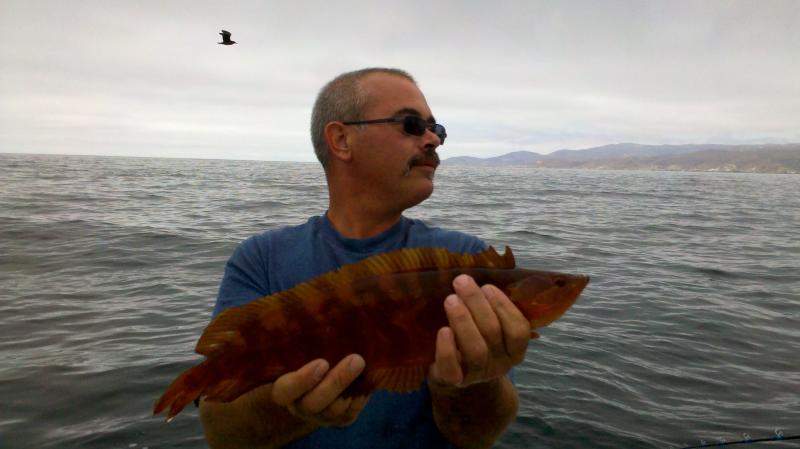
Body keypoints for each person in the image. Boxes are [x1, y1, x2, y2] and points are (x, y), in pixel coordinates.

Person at [198, 67, 531, 449]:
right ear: (341, 140)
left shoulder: (468, 261)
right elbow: (220, 433)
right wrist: (287, 408)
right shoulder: (261, 258)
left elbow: (478, 436)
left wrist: (472, 382)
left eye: (437, 130)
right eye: (411, 124)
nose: (432, 140)